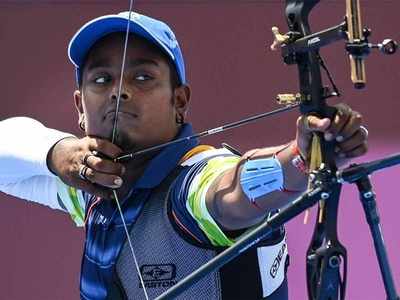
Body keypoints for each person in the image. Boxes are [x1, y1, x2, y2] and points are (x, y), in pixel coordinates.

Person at [0, 11, 368, 300]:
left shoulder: (192, 186)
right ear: (80, 106)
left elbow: (233, 190)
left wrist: (301, 156)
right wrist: (57, 153)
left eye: (142, 78)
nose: (119, 92)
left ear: (179, 101)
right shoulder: (93, 186)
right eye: (101, 80)